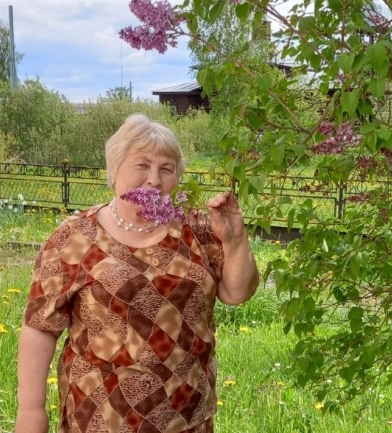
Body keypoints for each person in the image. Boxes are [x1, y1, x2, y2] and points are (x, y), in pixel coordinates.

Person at [15, 114, 260, 433]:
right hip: (101, 418)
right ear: (115, 170)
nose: (154, 180)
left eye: (166, 169)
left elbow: (237, 293)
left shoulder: (198, 228)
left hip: (187, 416)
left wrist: (235, 240)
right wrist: (31, 412)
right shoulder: (74, 237)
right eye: (142, 165)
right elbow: (40, 326)